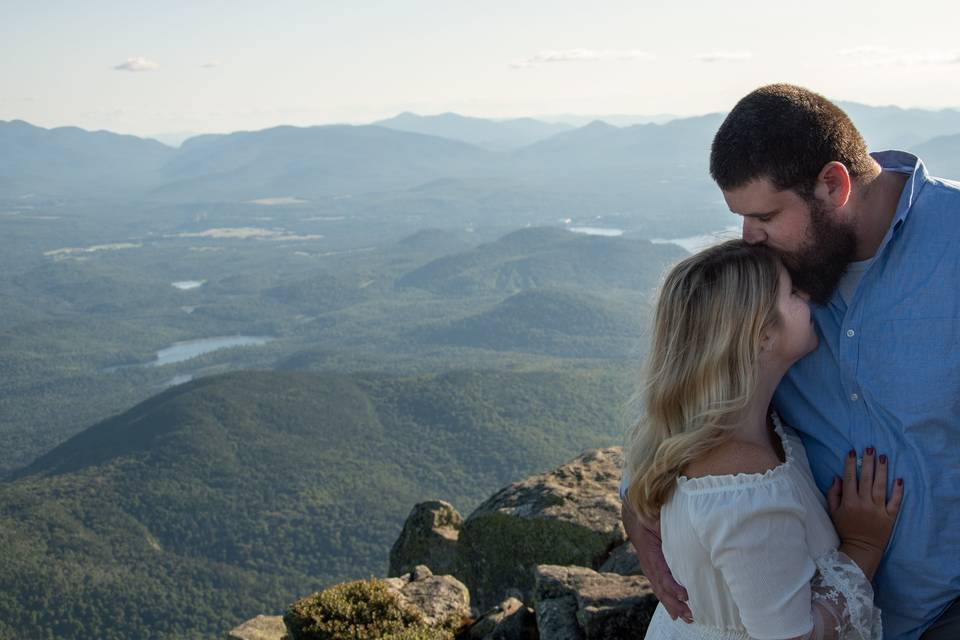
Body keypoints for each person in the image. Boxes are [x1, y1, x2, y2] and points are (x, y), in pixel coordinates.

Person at [621, 84, 960, 639]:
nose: (749, 239)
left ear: (834, 184)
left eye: (765, 216)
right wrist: (638, 498)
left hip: (943, 610)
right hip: (803, 604)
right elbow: (698, 378)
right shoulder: (772, 284)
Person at [622, 239, 901, 639]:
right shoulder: (743, 488)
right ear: (762, 336)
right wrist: (862, 545)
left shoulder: (709, 433)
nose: (809, 298)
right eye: (793, 292)